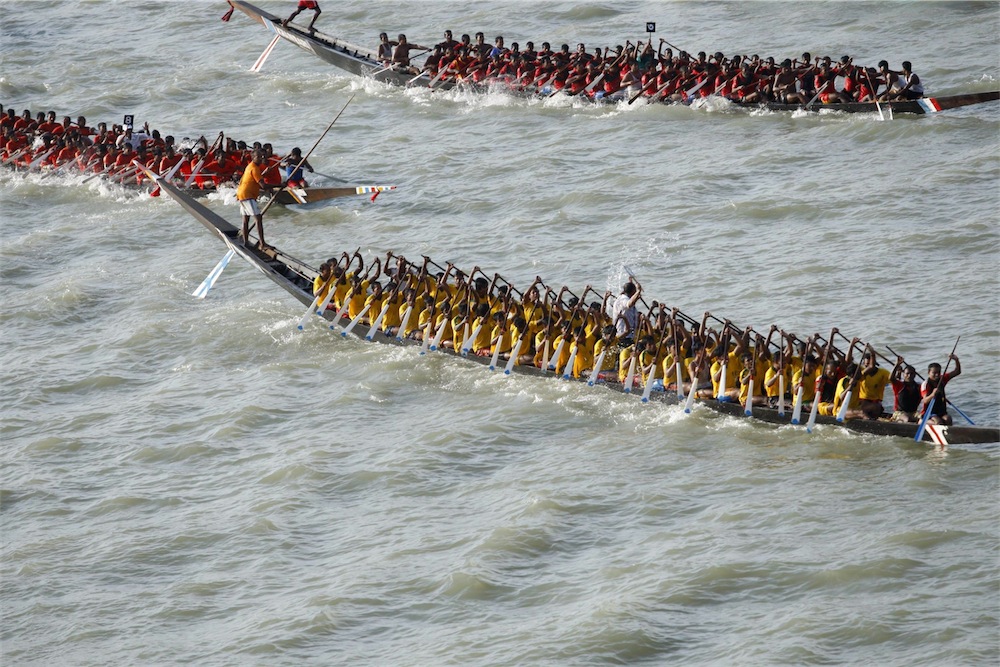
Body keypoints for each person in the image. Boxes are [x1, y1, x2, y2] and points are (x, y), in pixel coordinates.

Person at [236, 150, 271, 250]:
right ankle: (262, 244)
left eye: (262, 156)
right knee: (258, 218)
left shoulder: (251, 166)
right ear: (253, 158)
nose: (261, 158)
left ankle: (246, 242)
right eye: (258, 157)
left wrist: (265, 173)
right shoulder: (254, 168)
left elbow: (255, 180)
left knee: (246, 219)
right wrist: (280, 185)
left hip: (241, 194)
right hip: (247, 195)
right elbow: (263, 186)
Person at [918, 354, 961, 425]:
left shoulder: (942, 379)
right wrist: (932, 394)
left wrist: (956, 360)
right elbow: (925, 400)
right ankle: (921, 421)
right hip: (929, 412)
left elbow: (957, 371)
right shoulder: (925, 384)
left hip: (941, 411)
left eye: (938, 372)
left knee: (948, 419)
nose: (937, 375)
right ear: (928, 372)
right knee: (938, 422)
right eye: (934, 373)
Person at [890, 358, 921, 422]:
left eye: (912, 374)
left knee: (923, 418)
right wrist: (897, 365)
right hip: (900, 413)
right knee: (907, 419)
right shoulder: (899, 385)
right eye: (907, 373)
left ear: (915, 375)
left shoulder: (919, 387)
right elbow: (891, 378)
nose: (909, 376)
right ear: (903, 374)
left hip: (913, 413)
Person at [612, 277, 641, 345]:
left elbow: (630, 296)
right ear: (633, 292)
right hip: (624, 335)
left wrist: (631, 283)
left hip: (629, 335)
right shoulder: (623, 299)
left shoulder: (624, 297)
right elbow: (629, 304)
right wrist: (638, 291)